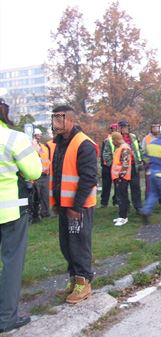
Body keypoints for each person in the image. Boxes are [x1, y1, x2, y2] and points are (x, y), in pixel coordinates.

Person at [0, 99, 41, 334]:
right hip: (10, 210)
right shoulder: (14, 138)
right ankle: (6, 318)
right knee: (11, 263)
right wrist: (33, 153)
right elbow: (34, 171)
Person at [50, 105, 98, 304]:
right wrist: (57, 202)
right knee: (67, 246)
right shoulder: (58, 143)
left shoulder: (84, 144)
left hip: (78, 207)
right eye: (53, 119)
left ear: (71, 120)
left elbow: (88, 178)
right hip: (64, 205)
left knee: (79, 245)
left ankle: (83, 282)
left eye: (59, 119)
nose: (55, 124)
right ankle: (74, 280)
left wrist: (76, 207)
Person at [118, 120, 143, 212]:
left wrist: (141, 161)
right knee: (123, 189)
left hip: (133, 165)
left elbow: (139, 149)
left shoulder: (133, 137)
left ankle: (138, 206)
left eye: (126, 127)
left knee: (136, 186)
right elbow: (109, 153)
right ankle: (125, 207)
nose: (125, 129)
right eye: (123, 127)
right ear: (119, 128)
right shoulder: (116, 138)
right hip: (123, 168)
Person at [111, 132, 132, 227]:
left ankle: (123, 217)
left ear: (116, 140)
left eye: (113, 140)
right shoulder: (120, 148)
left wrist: (121, 176)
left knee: (122, 197)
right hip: (118, 177)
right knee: (121, 196)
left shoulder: (124, 148)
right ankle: (122, 216)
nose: (112, 142)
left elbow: (125, 163)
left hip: (122, 177)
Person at [30, 128, 51, 222]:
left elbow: (48, 159)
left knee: (45, 195)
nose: (38, 137)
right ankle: (35, 214)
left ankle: (45, 212)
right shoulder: (31, 146)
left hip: (45, 174)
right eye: (36, 135)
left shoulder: (44, 147)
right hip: (36, 175)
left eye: (39, 135)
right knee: (36, 196)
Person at [100, 123, 118, 208]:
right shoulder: (107, 140)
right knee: (106, 185)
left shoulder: (120, 140)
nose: (114, 131)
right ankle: (104, 203)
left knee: (117, 186)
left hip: (116, 166)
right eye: (113, 129)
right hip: (108, 166)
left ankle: (116, 201)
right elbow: (103, 154)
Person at [141, 122, 160, 201]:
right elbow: (142, 151)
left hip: (160, 164)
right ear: (151, 128)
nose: (156, 129)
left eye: (157, 127)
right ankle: (148, 200)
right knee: (149, 184)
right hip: (150, 165)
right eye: (154, 127)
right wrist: (147, 162)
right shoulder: (146, 138)